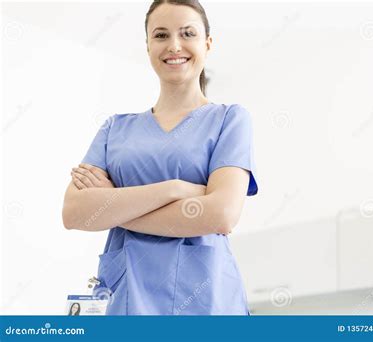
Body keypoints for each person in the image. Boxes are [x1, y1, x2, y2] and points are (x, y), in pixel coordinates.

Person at [62, 0, 258, 315]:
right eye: (161, 35)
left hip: (207, 301)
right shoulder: (115, 128)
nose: (174, 45)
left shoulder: (230, 120)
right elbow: (73, 212)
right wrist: (175, 189)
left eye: (188, 33)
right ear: (148, 46)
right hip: (127, 298)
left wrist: (111, 206)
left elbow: (221, 214)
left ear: (207, 44)